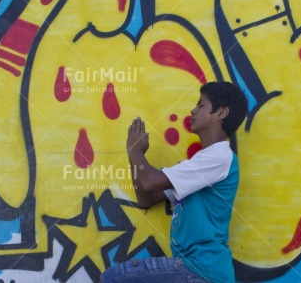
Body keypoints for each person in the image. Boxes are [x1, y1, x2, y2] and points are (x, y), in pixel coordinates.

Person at [100, 81, 248, 283]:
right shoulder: (197, 165)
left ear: (221, 113)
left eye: (201, 105)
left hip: (201, 269)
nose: (193, 110)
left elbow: (151, 182)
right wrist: (134, 155)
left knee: (113, 278)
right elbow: (146, 198)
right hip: (196, 270)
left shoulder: (219, 156)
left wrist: (135, 151)